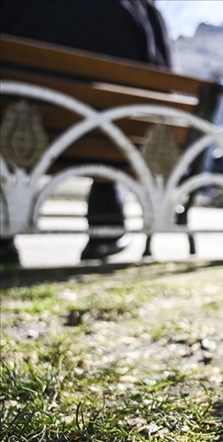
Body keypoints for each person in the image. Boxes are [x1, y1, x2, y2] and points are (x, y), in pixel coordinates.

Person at [0, 0, 173, 263]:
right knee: (112, 129)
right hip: (108, 141)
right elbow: (164, 83)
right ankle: (106, 233)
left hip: (17, 134)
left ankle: (3, 237)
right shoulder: (139, 8)